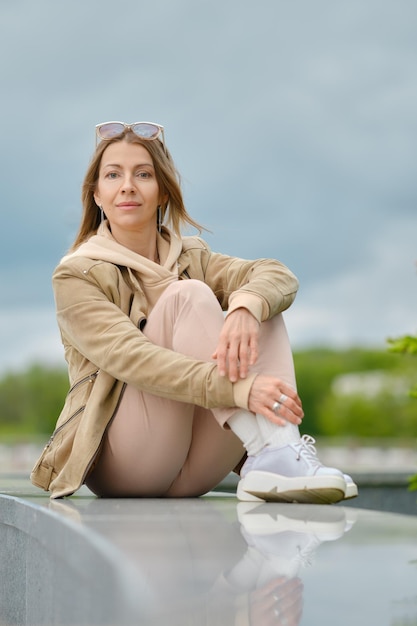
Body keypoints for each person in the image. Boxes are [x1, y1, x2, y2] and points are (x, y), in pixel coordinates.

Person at [31, 121, 358, 503]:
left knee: (260, 306)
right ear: (97, 195)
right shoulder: (77, 273)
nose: (128, 186)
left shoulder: (191, 256)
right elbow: (133, 359)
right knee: (190, 296)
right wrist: (241, 389)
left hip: (193, 465)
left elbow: (276, 275)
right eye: (113, 175)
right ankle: (268, 448)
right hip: (127, 463)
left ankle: (277, 453)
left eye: (143, 174)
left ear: (163, 193)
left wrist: (245, 309)